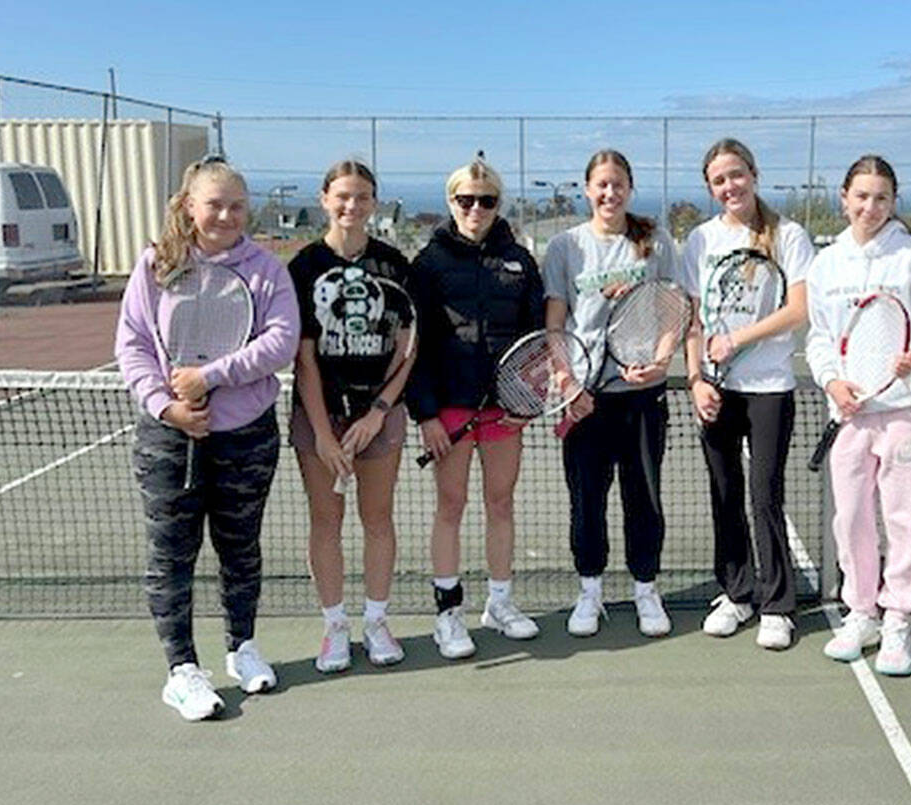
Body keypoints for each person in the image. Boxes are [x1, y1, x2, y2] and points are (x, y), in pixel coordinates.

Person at [115, 156, 299, 721]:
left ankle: (242, 648)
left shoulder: (268, 271)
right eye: (213, 204)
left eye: (236, 206)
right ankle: (182, 670)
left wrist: (209, 377)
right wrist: (168, 406)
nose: (224, 215)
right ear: (189, 206)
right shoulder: (155, 266)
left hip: (246, 437)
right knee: (172, 555)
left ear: (248, 210)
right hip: (168, 440)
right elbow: (133, 345)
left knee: (240, 549)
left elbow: (282, 342)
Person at [407, 158, 545, 658]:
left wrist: (528, 401)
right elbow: (414, 345)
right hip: (449, 411)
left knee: (501, 504)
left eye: (486, 200)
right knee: (451, 506)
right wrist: (424, 414)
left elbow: (536, 341)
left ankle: (500, 604)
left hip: (504, 412)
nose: (476, 209)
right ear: (451, 202)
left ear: (497, 205)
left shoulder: (520, 261)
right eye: (466, 199)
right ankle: (448, 614)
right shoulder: (429, 264)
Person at [806, 155, 911, 676]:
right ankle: (861, 611)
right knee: (852, 517)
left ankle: (898, 618)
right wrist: (833, 383)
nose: (870, 206)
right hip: (849, 414)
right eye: (861, 196)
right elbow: (819, 338)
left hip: (906, 408)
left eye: (881, 197)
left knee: (907, 517)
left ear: (893, 202)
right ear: (844, 198)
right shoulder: (826, 263)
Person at [681, 138, 814, 650]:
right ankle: (736, 594)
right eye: (719, 180)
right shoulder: (701, 240)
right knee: (724, 495)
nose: (729, 186)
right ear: (711, 188)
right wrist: (696, 379)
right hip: (716, 388)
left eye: (736, 175)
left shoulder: (789, 235)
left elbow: (799, 309)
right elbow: (694, 319)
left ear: (754, 175)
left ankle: (777, 605)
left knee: (764, 496)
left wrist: (738, 338)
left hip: (769, 389)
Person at [542, 150, 679, 638]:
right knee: (587, 501)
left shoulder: (654, 242)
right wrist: (567, 383)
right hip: (584, 398)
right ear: (586, 189)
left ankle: (646, 588)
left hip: (642, 396)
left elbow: (672, 312)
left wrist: (661, 362)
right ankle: (590, 591)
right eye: (601, 184)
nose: (609, 193)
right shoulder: (565, 247)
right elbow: (555, 326)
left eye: (618, 184)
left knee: (644, 498)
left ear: (629, 188)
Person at [288, 160, 416, 673]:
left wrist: (378, 413)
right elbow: (304, 358)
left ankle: (377, 622)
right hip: (319, 416)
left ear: (373, 202)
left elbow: (407, 349)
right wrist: (323, 432)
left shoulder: (393, 264)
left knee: (377, 518)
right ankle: (335, 627)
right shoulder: (303, 267)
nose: (352, 205)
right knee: (326, 520)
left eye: (362, 197)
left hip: (379, 417)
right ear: (324, 198)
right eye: (342, 196)